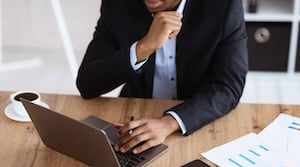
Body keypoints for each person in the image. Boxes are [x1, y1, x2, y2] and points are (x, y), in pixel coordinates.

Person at [76, 0, 248, 154]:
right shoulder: (117, 4)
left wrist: (169, 122)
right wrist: (144, 47)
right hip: (133, 117)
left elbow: (228, 87)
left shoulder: (224, 5)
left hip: (198, 118)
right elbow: (87, 83)